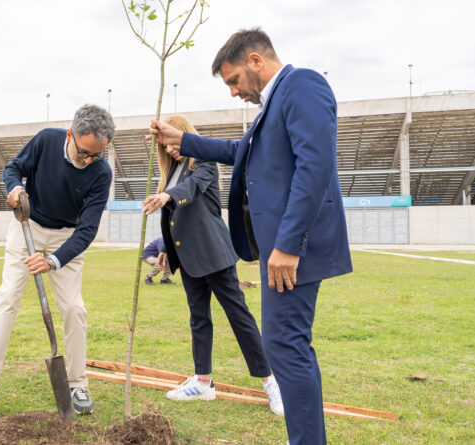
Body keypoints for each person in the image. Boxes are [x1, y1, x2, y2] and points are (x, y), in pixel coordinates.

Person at [149, 29, 352, 445]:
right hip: (277, 249)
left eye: (234, 80)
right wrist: (183, 140)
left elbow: (314, 168)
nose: (233, 92)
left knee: (285, 347)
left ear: (256, 61)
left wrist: (288, 244)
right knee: (286, 346)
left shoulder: (303, 85)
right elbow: (240, 151)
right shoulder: (272, 106)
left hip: (290, 249)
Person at [0, 104, 114, 415]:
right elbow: (13, 169)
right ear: (70, 134)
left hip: (66, 235)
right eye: (84, 152)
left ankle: (77, 385)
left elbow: (86, 231)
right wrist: (15, 189)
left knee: (74, 308)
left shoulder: (101, 173)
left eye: (96, 155)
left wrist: (54, 261)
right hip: (27, 225)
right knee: (7, 298)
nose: (88, 161)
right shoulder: (46, 141)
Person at [143, 114, 283, 416]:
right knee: (199, 318)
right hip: (188, 257)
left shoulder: (203, 163)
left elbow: (192, 189)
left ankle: (271, 381)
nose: (171, 151)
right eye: (165, 148)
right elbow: (174, 217)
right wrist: (167, 248)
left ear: (185, 136)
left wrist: (168, 194)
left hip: (215, 254)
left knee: (239, 317)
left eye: (173, 143)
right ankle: (203, 382)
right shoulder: (173, 171)